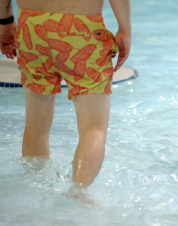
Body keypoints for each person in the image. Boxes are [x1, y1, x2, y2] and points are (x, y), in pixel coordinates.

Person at [0, 0, 131, 188]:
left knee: (36, 125)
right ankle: (77, 196)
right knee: (93, 129)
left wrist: (5, 22)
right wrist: (125, 29)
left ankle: (36, 192)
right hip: (81, 30)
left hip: (31, 27)